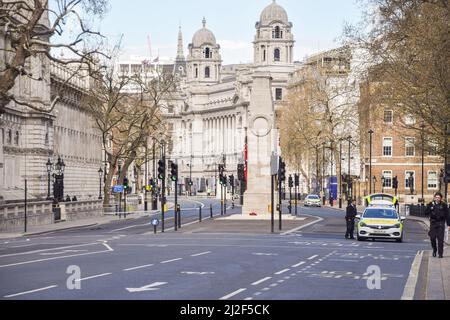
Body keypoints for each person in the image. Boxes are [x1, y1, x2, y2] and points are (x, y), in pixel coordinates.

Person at [425, 192, 450, 258]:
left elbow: (447, 215)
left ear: (441, 198)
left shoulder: (444, 205)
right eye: (436, 197)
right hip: (433, 223)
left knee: (440, 239)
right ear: (434, 198)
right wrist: (430, 208)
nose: (437, 199)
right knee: (432, 238)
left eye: (439, 197)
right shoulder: (431, 204)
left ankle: (440, 253)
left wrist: (448, 225)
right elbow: (426, 212)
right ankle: (434, 249)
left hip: (441, 223)